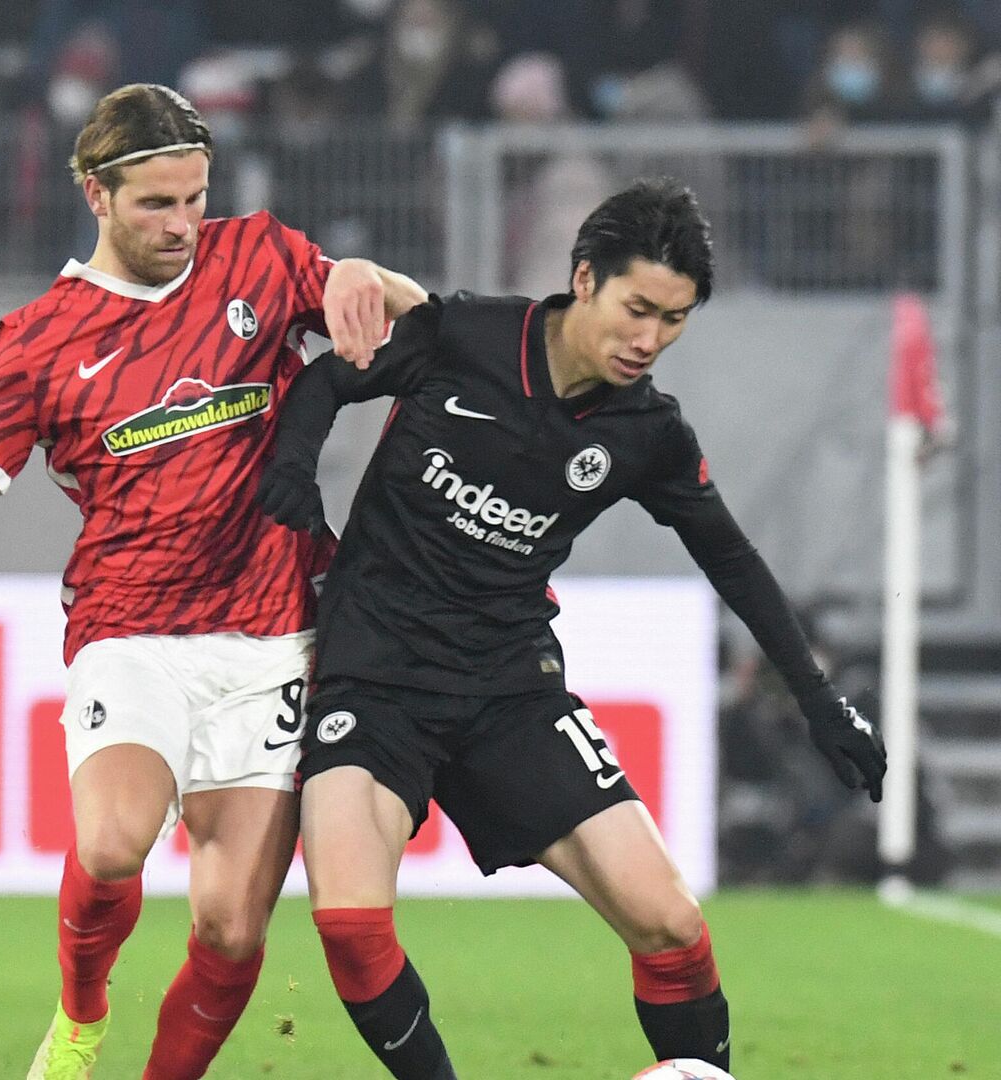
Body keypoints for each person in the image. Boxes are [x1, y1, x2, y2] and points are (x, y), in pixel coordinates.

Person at [0, 82, 424, 1080]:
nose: (184, 223)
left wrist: (365, 272)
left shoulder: (262, 257)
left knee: (232, 932)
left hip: (274, 634)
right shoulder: (43, 338)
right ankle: (82, 1012)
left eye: (195, 197)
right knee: (110, 846)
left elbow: (411, 321)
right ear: (96, 196)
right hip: (130, 633)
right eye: (156, 203)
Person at [254, 177, 888, 1079]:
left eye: (674, 321)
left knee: (671, 925)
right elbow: (326, 380)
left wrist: (819, 702)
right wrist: (295, 466)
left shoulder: (647, 431)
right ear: (584, 279)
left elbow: (733, 561)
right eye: (638, 309)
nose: (650, 340)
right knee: (352, 927)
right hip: (375, 678)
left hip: (511, 690)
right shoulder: (468, 336)